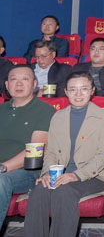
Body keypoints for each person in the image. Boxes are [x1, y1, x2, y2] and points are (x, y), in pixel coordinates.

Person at [25, 72, 104, 237]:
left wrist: (76, 175)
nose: (78, 94)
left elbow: (103, 155)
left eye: (84, 89)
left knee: (64, 191)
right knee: (40, 189)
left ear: (92, 90)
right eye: (73, 89)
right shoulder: (58, 116)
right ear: (66, 91)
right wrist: (47, 173)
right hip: (61, 174)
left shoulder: (102, 116)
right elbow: (51, 151)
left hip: (95, 176)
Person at [0, 65, 55, 229]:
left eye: (25, 79)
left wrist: (3, 167)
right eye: (13, 79)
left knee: (1, 180)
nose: (18, 83)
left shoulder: (44, 110)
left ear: (34, 84)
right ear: (7, 85)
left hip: (26, 172)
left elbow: (35, 151)